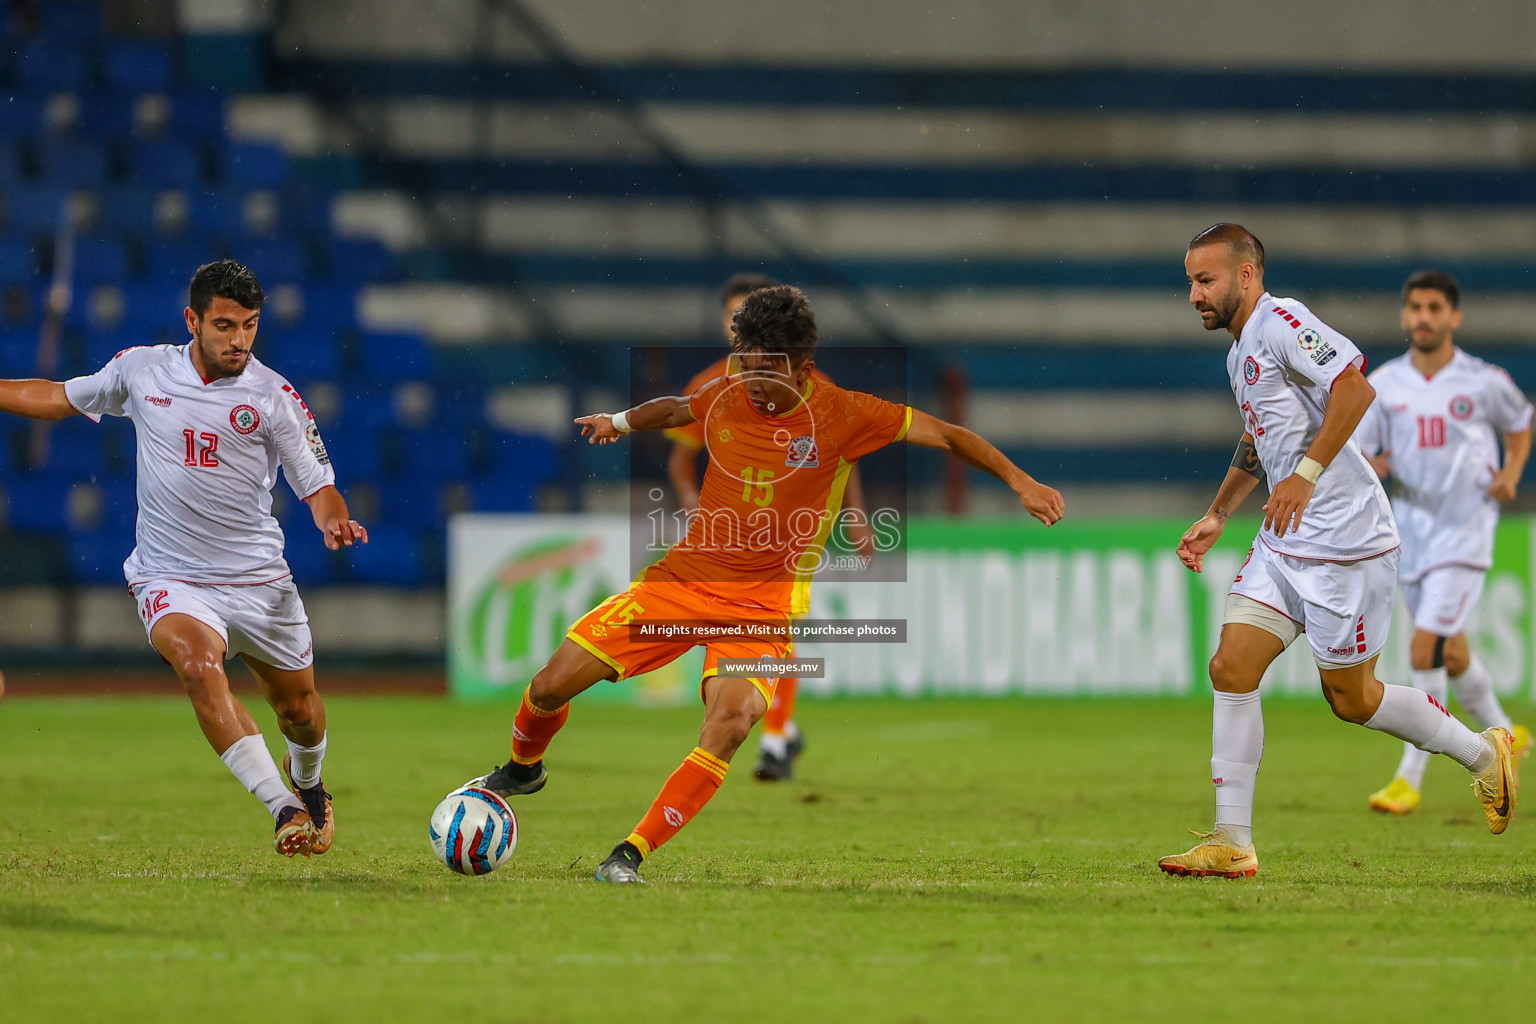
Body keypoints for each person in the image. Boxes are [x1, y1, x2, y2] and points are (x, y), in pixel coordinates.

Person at [466, 284, 1064, 883]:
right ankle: (523, 769)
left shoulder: (846, 414)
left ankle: (628, 855)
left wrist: (1021, 482)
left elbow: (950, 435)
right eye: (745, 361)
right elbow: (678, 408)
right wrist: (618, 422)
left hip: (761, 607)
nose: (752, 378)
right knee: (549, 686)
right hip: (679, 583)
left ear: (804, 366)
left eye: (768, 368)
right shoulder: (725, 388)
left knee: (729, 724)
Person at [1160, 224, 1517, 879]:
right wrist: (1218, 513)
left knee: (1352, 699)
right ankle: (1233, 842)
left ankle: (1484, 754)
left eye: (1204, 280)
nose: (1193, 295)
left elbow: (1355, 389)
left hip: (1347, 540)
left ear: (1245, 276)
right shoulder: (1240, 354)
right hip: (1285, 538)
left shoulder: (1282, 319)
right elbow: (1258, 437)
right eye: (1189, 281)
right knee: (1231, 667)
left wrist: (1306, 473)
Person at [0, 260, 367, 858]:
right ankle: (284, 809)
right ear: (192, 320)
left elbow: (318, 486)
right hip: (170, 575)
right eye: (225, 325)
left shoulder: (274, 397)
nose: (239, 340)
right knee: (199, 667)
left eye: (249, 326)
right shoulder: (142, 370)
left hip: (258, 581)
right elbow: (59, 397)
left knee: (300, 710)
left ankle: (308, 782)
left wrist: (334, 522)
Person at [665, 273, 874, 782]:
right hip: (728, 537)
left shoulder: (806, 383)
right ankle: (775, 727)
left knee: (777, 624)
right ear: (726, 324)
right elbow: (679, 463)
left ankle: (776, 740)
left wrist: (856, 514)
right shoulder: (710, 387)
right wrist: (695, 505)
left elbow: (844, 452)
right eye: (735, 318)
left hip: (791, 531)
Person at [1355, 270, 1532, 814]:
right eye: (1415, 307)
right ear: (1405, 316)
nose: (1424, 317)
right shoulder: (1384, 383)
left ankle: (1412, 775)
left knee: (1423, 644)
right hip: (1410, 534)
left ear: (1453, 317)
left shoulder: (1482, 381)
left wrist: (1512, 472)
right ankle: (1508, 736)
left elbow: (1521, 422)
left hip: (1466, 528)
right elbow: (1360, 448)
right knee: (1451, 651)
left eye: (1435, 307)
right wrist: (1375, 463)